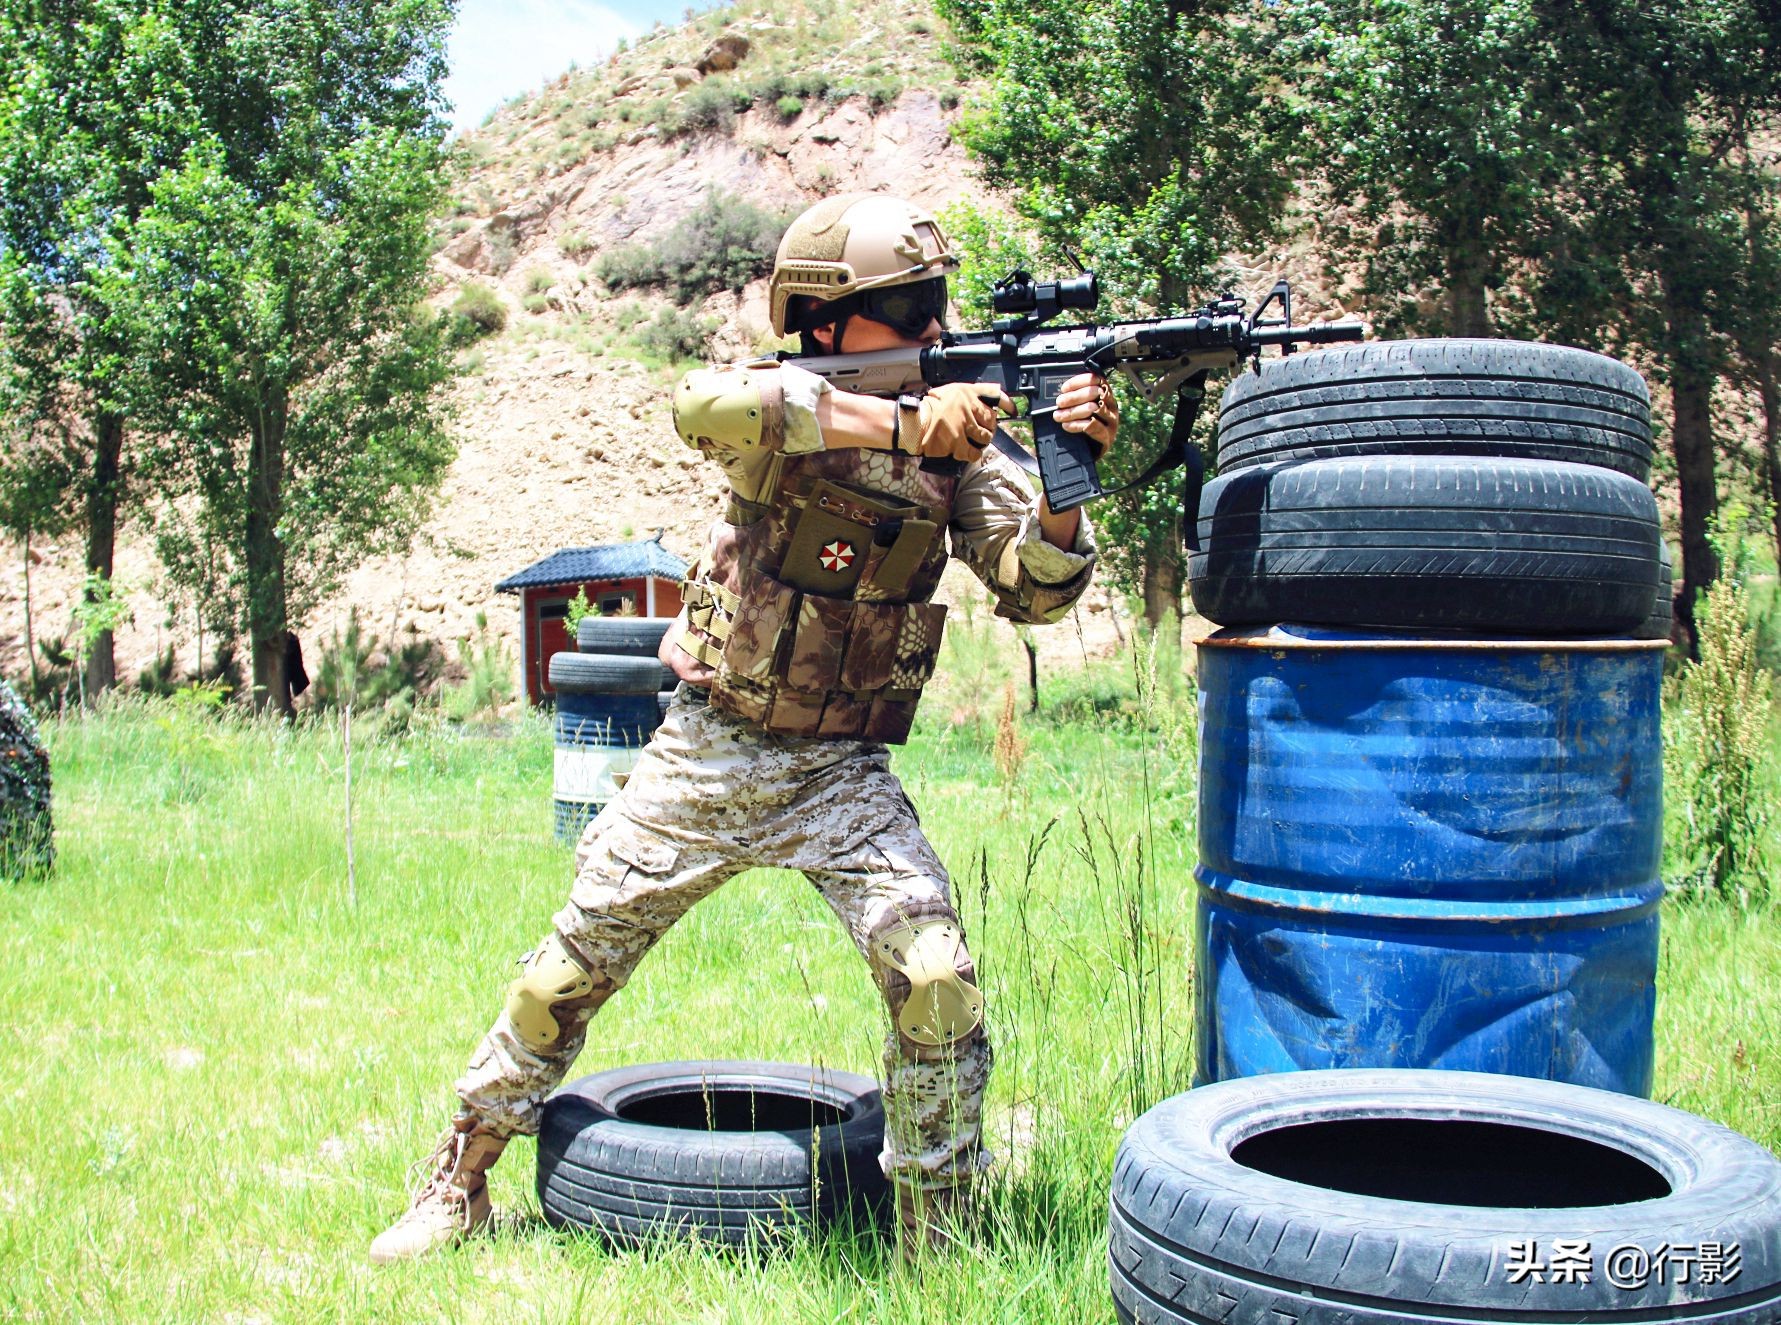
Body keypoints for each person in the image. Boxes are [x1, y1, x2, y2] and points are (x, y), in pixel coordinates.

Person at [370, 192, 1120, 1264]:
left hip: (839, 772)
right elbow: (704, 405)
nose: (931, 325)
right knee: (560, 977)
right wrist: (901, 420)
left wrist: (1061, 482)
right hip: (708, 750)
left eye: (936, 303)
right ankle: (459, 1179)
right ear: (823, 319)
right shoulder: (788, 408)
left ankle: (940, 1239)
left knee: (936, 979)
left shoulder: (959, 446)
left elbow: (1034, 591)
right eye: (905, 306)